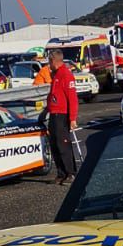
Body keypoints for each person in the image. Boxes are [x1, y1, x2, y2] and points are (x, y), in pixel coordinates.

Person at [44, 45, 80, 184]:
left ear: (54, 61)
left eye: (50, 61)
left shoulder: (66, 74)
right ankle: (61, 173)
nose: (49, 64)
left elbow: (72, 98)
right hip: (54, 113)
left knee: (63, 145)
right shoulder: (55, 75)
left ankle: (71, 173)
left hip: (62, 114)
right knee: (54, 144)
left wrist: (72, 118)